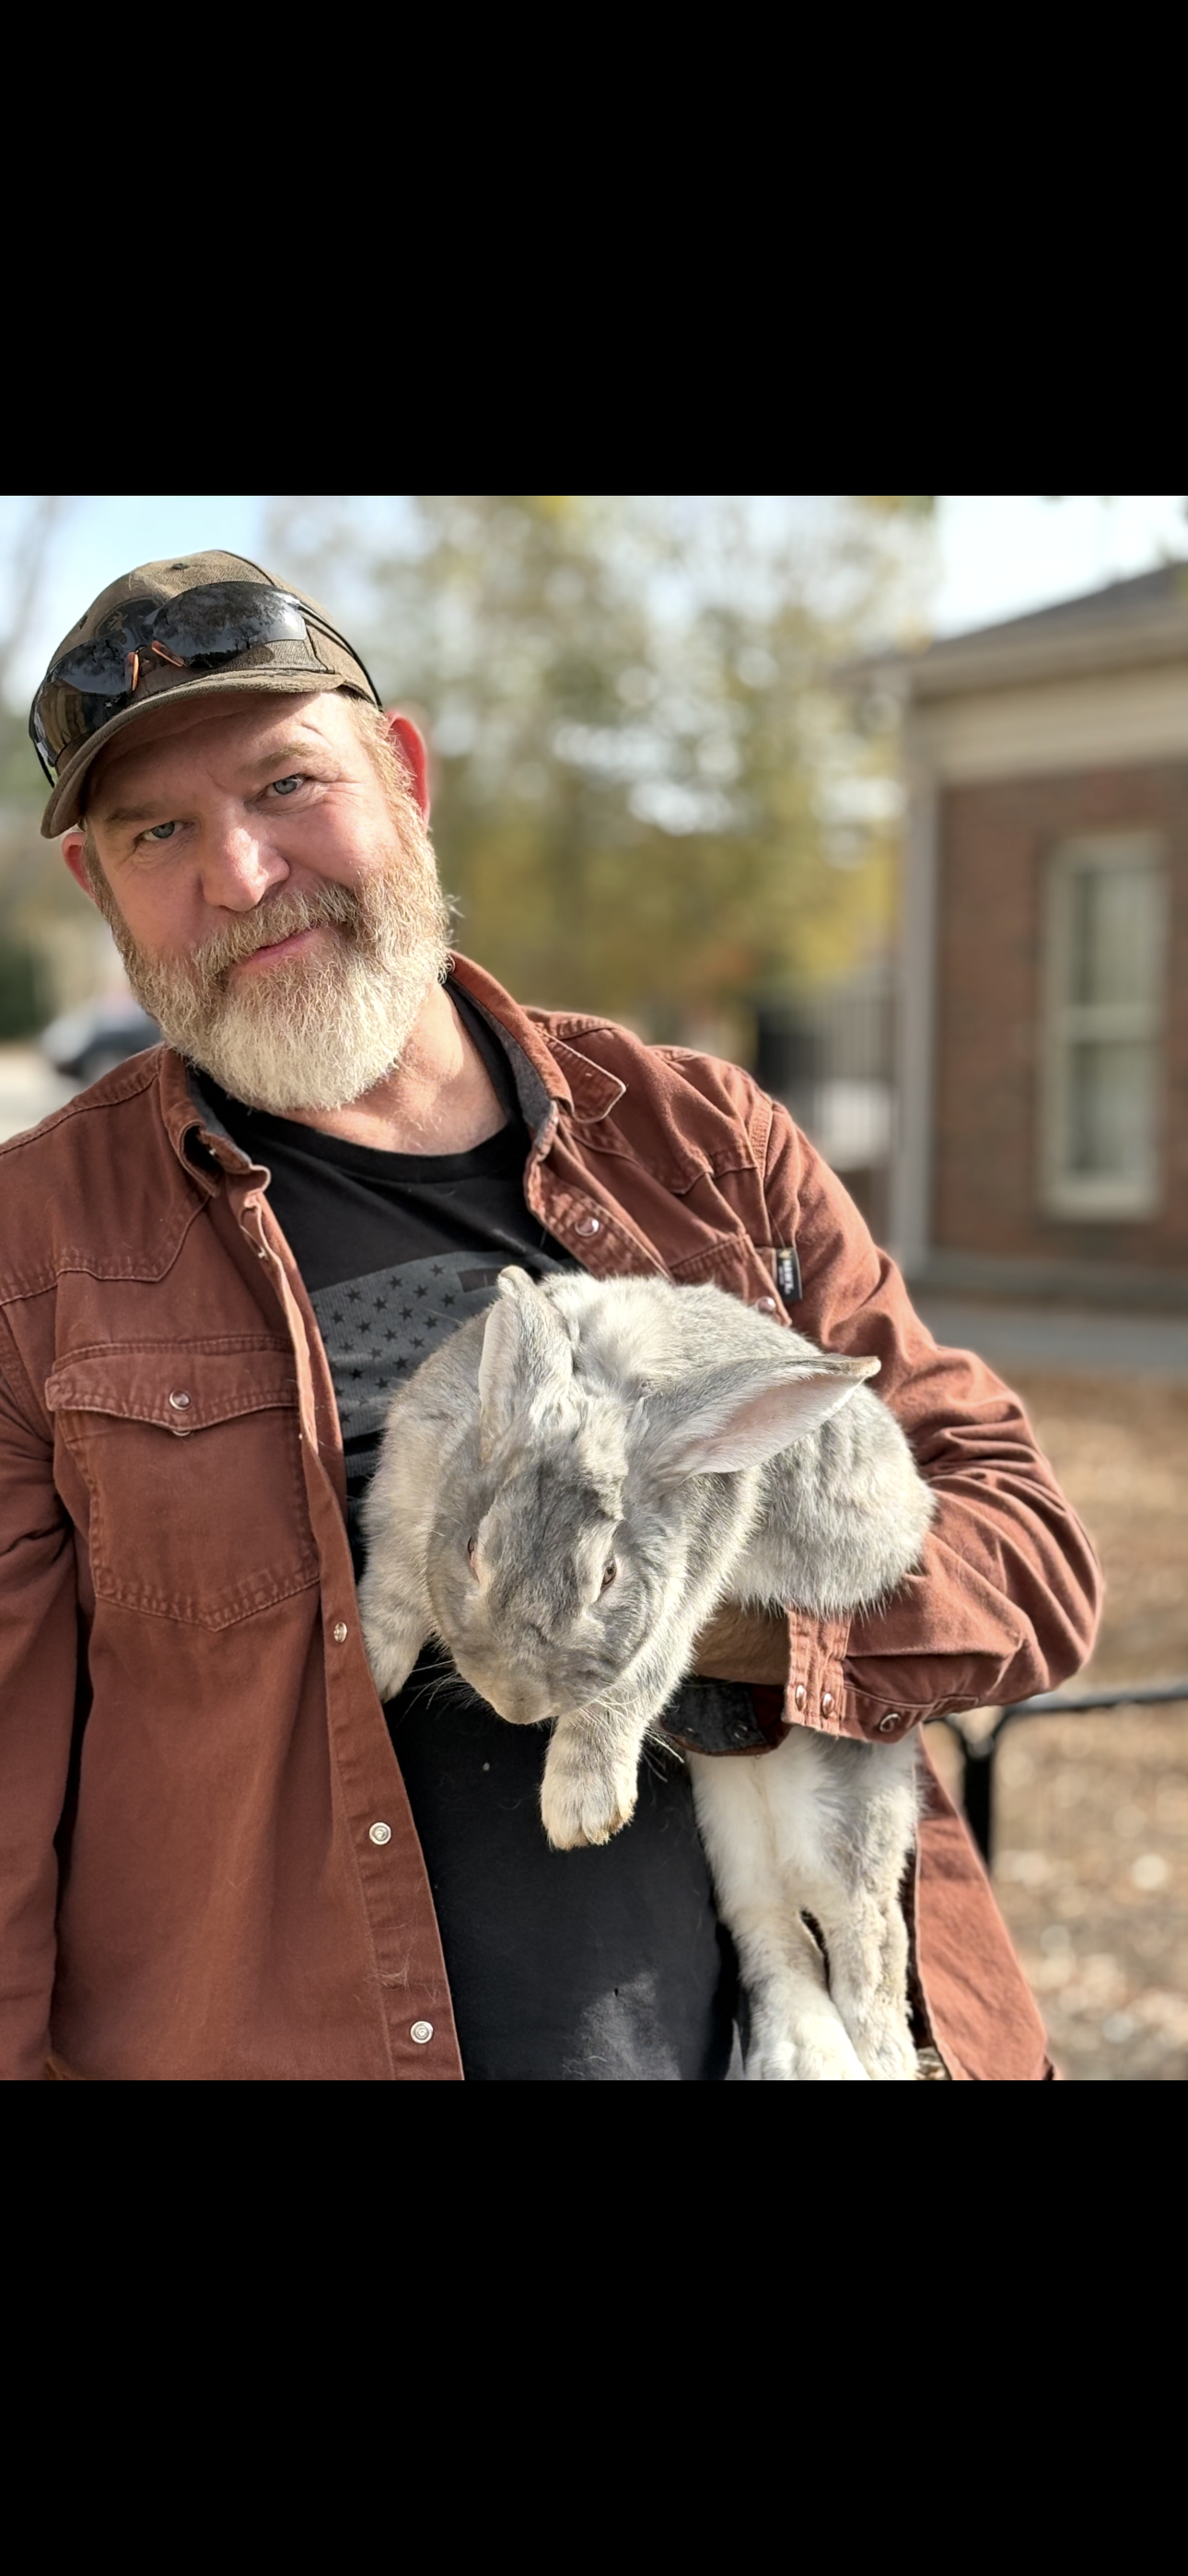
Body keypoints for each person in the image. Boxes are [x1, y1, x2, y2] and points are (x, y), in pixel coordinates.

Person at [0, 551, 1101, 2081]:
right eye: (159, 831)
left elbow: (1022, 1559)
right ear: (97, 885)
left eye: (285, 787)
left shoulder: (704, 1141)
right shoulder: (34, 1251)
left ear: (399, 774)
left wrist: (671, 1619)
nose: (241, 874)